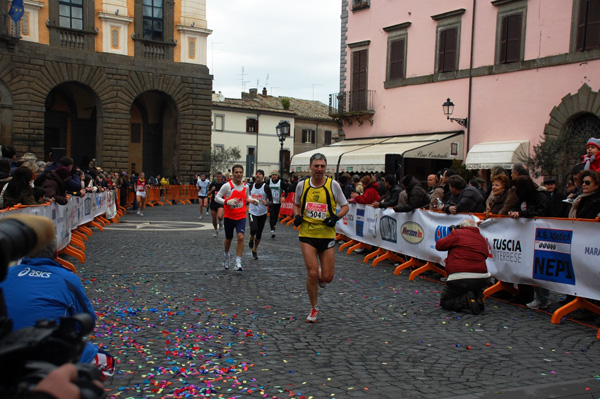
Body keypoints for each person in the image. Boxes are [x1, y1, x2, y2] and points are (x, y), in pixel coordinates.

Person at [0, 243, 115, 380]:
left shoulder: (7, 274)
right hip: (50, 352)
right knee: (107, 363)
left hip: (6, 348)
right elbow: (87, 319)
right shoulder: (67, 278)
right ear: (56, 252)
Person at [293, 153, 349, 323]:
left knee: (328, 277)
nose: (319, 169)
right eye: (316, 166)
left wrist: (336, 217)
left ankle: (320, 275)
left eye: (322, 166)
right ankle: (314, 308)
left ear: (326, 168)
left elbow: (345, 206)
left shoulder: (333, 186)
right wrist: (296, 215)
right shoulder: (302, 186)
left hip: (326, 235)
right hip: (307, 234)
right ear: (310, 167)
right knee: (311, 273)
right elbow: (296, 205)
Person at [508, 175, 550, 308]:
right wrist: (514, 212)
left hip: (538, 237)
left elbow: (541, 212)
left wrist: (522, 214)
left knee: (538, 268)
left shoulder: (540, 197)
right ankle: (528, 293)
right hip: (525, 238)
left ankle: (543, 297)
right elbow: (517, 207)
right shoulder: (523, 198)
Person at [435, 219, 490, 314]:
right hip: (482, 277)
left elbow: (439, 245)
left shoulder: (457, 233)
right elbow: (485, 255)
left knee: (446, 301)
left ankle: (465, 301)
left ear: (462, 226)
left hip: (459, 276)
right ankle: (477, 298)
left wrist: (452, 234)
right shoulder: (481, 238)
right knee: (473, 286)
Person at [215, 164, 259, 271]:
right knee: (228, 239)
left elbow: (246, 197)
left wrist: (252, 200)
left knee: (241, 237)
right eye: (236, 172)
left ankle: (238, 261)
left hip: (241, 216)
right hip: (229, 217)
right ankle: (226, 255)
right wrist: (226, 201)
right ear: (233, 174)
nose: (239, 174)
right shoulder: (227, 186)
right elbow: (217, 198)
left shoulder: (245, 186)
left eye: (240, 172)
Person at [247, 170, 273, 260]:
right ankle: (251, 237)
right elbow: (246, 197)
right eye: (257, 174)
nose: (258, 175)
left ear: (263, 176)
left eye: (260, 174)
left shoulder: (266, 187)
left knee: (259, 234)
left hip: (262, 213)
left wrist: (267, 203)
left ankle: (255, 249)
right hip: (252, 211)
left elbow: (271, 201)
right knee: (253, 229)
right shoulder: (250, 186)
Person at [208, 171, 225, 237]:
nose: (218, 178)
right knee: (214, 219)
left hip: (220, 203)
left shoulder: (223, 185)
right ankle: (215, 230)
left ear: (221, 177)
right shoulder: (213, 184)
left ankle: (220, 223)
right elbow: (208, 194)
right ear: (216, 177)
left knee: (220, 216)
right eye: (217, 177)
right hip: (213, 202)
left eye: (219, 177)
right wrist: (212, 190)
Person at [267, 170, 282, 238]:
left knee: (276, 216)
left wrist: (284, 196)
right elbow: (265, 189)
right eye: (273, 175)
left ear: (278, 176)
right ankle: (272, 230)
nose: (274, 176)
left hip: (278, 202)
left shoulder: (280, 182)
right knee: (272, 215)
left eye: (275, 175)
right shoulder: (268, 181)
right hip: (271, 202)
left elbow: (288, 189)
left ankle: (274, 225)